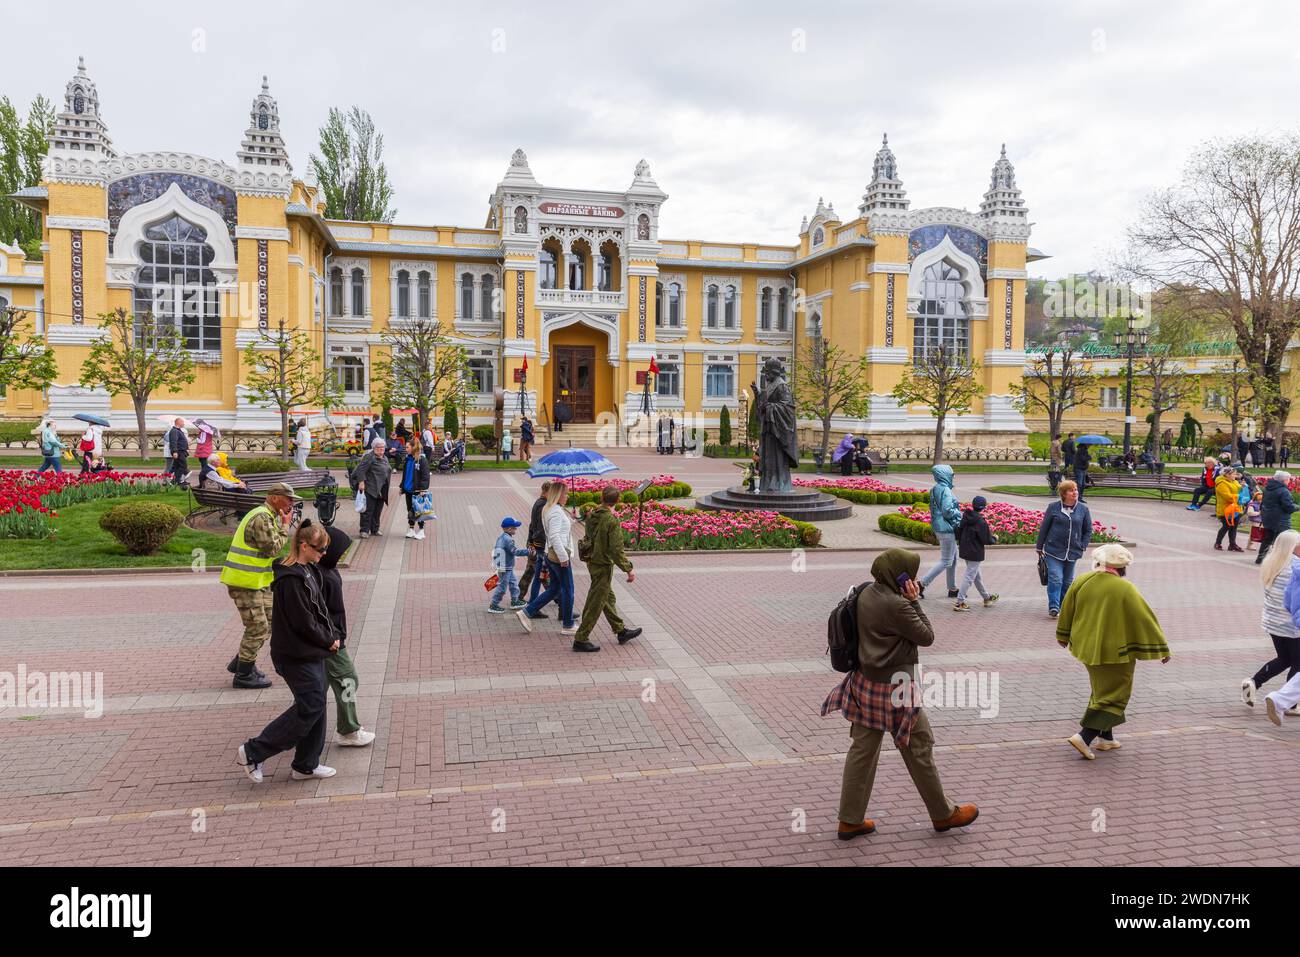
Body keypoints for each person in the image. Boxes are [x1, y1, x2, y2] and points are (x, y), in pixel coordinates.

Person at [821, 549, 979, 840]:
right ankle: (943, 814)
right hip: (897, 690)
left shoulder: (866, 591)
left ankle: (850, 820)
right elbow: (927, 636)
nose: (915, 579)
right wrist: (914, 601)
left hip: (865, 683)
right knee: (919, 747)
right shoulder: (898, 605)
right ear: (899, 575)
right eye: (911, 574)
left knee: (862, 751)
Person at [235, 520, 340, 783]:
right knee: (311, 705)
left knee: (316, 705)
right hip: (295, 655)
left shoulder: (308, 570)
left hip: (311, 651)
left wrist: (333, 635)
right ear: (303, 546)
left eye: (325, 549)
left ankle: (305, 764)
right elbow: (302, 621)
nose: (323, 554)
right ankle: (253, 751)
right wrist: (328, 640)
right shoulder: (290, 579)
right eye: (319, 549)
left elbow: (320, 609)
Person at [1056, 543, 1170, 759]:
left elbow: (1066, 610)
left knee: (1101, 690)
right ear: (1123, 567)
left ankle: (1106, 738)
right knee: (1115, 694)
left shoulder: (1082, 580)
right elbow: (1145, 619)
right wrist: (1161, 647)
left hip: (1085, 647)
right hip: (1115, 652)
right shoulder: (1125, 588)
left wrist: (1063, 636)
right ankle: (1084, 736)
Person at [220, 482, 300, 689]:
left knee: (271, 623)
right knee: (257, 627)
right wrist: (285, 526)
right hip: (244, 582)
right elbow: (272, 549)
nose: (292, 503)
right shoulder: (262, 517)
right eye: (288, 499)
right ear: (274, 498)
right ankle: (244, 675)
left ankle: (241, 662)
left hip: (258, 581)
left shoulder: (267, 515)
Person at [317, 525, 376, 748]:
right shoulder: (320, 574)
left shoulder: (327, 567)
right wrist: (332, 637)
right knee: (348, 680)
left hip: (331, 637)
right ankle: (349, 730)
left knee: (317, 689)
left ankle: (310, 728)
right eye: (340, 550)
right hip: (330, 641)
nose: (341, 554)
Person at [573, 485, 642, 652]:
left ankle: (620, 630)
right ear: (617, 501)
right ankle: (581, 638)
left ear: (602, 498)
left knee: (607, 597)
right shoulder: (611, 520)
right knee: (596, 601)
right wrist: (628, 569)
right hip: (603, 564)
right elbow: (616, 549)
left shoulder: (592, 514)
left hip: (592, 561)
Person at [1241, 529, 1300, 709]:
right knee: (1298, 664)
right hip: (1292, 625)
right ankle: (1289, 704)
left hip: (1273, 623)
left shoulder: (1273, 563)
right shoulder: (1295, 568)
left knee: (1284, 659)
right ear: (1291, 547)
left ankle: (1254, 682)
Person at [517, 480, 578, 635]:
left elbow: (558, 530)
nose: (568, 496)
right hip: (559, 556)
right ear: (559, 494)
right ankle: (568, 624)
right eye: (566, 493)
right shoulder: (555, 512)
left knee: (555, 589)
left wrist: (572, 518)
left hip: (551, 554)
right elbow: (555, 536)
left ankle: (527, 612)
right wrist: (564, 558)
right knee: (568, 589)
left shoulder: (551, 509)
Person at [1035, 479, 1093, 618]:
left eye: (1076, 490)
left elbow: (1088, 530)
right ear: (1064, 493)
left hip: (1073, 551)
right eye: (1071, 490)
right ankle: (1054, 606)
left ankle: (1063, 605)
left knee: (1067, 581)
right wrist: (1039, 546)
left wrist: (1083, 545)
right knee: (1056, 578)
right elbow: (1045, 527)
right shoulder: (1053, 507)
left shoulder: (1083, 509)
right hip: (1053, 549)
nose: (1075, 493)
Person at [919, 464, 962, 599]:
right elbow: (947, 510)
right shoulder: (945, 490)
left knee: (953, 559)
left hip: (940, 527)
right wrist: (960, 515)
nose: (953, 476)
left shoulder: (936, 488)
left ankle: (952, 588)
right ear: (945, 475)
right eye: (951, 474)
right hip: (947, 528)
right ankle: (921, 583)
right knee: (946, 560)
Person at [954, 495, 999, 611]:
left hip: (965, 550)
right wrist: (994, 538)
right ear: (983, 507)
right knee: (969, 576)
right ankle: (959, 602)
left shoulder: (966, 516)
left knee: (976, 576)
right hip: (975, 552)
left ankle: (987, 597)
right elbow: (986, 540)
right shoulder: (980, 521)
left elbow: (958, 532)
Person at [516, 481, 551, 612]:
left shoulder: (539, 503)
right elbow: (539, 527)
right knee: (540, 573)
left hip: (533, 542)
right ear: (547, 492)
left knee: (532, 570)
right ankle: (558, 598)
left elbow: (533, 525)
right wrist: (537, 544)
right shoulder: (542, 505)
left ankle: (519, 595)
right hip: (537, 544)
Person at [488, 517, 531, 614]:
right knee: (502, 587)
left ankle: (515, 601)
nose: (516, 529)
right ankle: (493, 605)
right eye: (514, 528)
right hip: (505, 567)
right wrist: (528, 552)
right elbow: (515, 551)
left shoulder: (502, 537)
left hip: (506, 566)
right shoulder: (508, 540)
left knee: (513, 583)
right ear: (509, 529)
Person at [354, 438, 392, 539]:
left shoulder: (384, 457)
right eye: (379, 447)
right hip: (370, 488)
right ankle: (364, 530)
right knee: (368, 510)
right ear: (374, 448)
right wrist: (361, 482)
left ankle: (375, 529)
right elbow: (360, 470)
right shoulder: (369, 457)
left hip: (381, 489)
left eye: (383, 447)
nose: (381, 449)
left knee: (377, 510)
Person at [1258, 470, 1297, 564]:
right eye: (1288, 479)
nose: (1289, 481)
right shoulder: (1284, 491)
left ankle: (1260, 558)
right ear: (1283, 480)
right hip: (1280, 520)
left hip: (1268, 517)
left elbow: (1263, 503)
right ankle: (1278, 562)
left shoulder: (1268, 488)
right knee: (1282, 541)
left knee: (1268, 538)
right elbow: (1288, 507)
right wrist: (1297, 507)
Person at [399, 436, 430, 541]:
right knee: (410, 510)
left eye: (407, 447)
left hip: (417, 490)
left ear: (413, 448)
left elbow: (425, 476)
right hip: (408, 489)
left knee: (419, 510)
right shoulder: (408, 459)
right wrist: (401, 487)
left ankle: (421, 530)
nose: (406, 449)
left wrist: (423, 489)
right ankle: (411, 529)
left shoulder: (422, 460)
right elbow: (405, 475)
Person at [1214, 465, 1244, 552]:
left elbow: (1238, 490)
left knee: (1234, 527)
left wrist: (1242, 487)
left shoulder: (1234, 481)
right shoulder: (1221, 483)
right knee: (1226, 526)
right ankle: (1218, 543)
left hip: (1235, 509)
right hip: (1226, 509)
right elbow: (1227, 496)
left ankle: (1232, 544)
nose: (1236, 475)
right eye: (1234, 474)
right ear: (1227, 474)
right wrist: (1239, 496)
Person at [163, 417, 189, 486]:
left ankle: (175, 481)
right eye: (182, 422)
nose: (184, 423)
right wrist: (174, 451)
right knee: (183, 466)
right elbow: (173, 442)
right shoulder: (174, 431)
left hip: (181, 451)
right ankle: (176, 480)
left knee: (177, 467)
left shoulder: (178, 430)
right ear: (178, 423)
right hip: (179, 452)